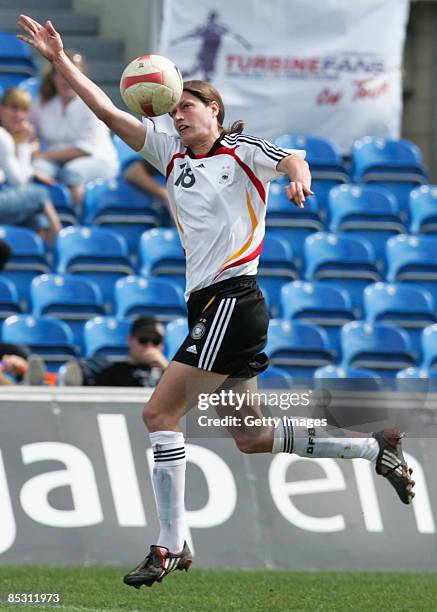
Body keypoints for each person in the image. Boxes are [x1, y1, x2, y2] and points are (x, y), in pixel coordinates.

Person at [18, 15, 415, 589]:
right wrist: (60, 62)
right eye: (175, 109)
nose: (178, 114)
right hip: (209, 306)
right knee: (251, 437)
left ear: (216, 115)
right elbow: (107, 112)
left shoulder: (239, 151)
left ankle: (169, 542)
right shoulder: (170, 155)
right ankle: (373, 449)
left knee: (158, 414)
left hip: (234, 298)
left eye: (190, 107)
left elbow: (291, 160)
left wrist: (299, 177)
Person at [29, 50, 119, 208]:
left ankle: (78, 219)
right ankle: (46, 218)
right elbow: (30, 132)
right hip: (55, 161)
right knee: (37, 169)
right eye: (61, 74)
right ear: (53, 78)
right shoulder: (42, 102)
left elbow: (84, 150)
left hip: (97, 160)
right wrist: (30, 147)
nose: (66, 80)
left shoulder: (93, 103)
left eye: (71, 74)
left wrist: (42, 154)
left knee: (73, 172)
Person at [0, 88, 61, 242]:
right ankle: (59, 241)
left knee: (36, 219)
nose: (19, 115)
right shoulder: (3, 136)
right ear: (2, 107)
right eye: (14, 108)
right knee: (40, 193)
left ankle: (37, 257)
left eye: (24, 110)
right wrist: (24, 145)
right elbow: (20, 181)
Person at [62, 316, 168, 386]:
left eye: (156, 341)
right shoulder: (112, 373)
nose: (149, 346)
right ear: (130, 340)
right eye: (143, 340)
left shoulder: (169, 375)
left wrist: (166, 368)